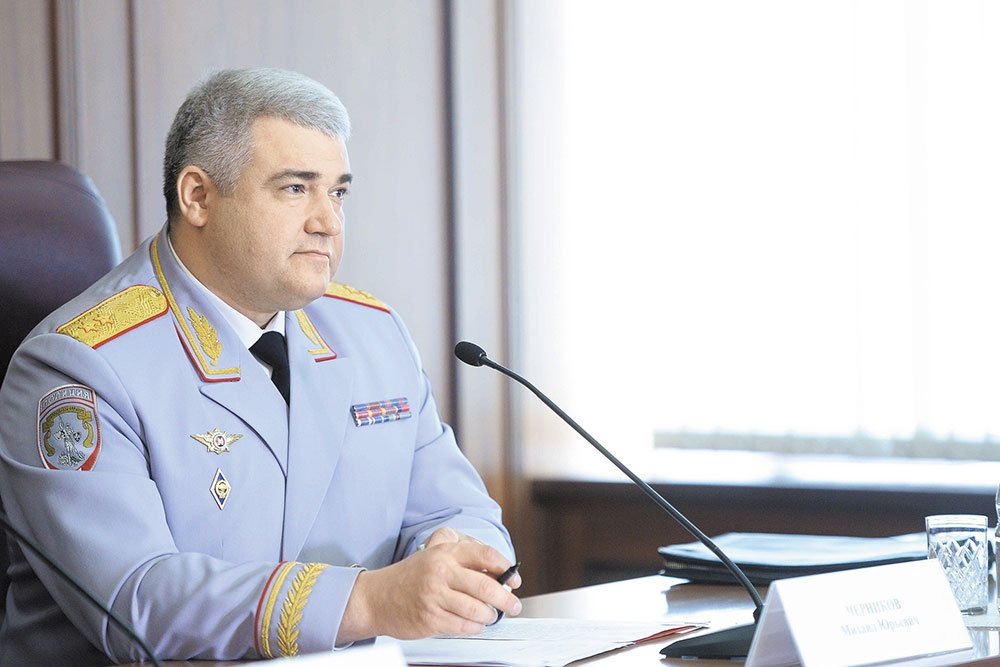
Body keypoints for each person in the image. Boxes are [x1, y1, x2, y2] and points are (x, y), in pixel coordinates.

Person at [0, 67, 521, 664]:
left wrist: (455, 565)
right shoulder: (77, 364)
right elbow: (136, 601)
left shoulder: (374, 333)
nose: (328, 222)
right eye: (295, 189)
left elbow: (459, 512)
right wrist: (371, 600)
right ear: (198, 197)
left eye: (338, 192)